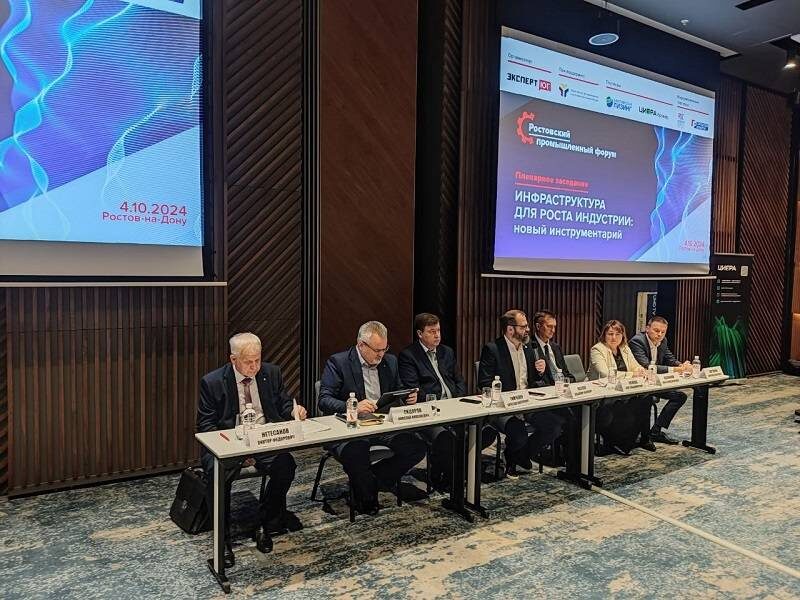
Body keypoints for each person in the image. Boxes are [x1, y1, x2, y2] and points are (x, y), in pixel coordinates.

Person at [197, 332, 306, 562]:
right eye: (248, 362)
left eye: (258, 360)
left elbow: (284, 403)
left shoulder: (271, 373)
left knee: (286, 466)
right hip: (229, 444)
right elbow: (206, 425)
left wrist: (293, 411)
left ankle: (265, 523)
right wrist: (237, 449)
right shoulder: (212, 382)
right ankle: (223, 538)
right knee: (216, 473)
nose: (255, 366)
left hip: (264, 439)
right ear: (233, 359)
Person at [318, 321, 428, 515]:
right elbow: (324, 400)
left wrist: (408, 397)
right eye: (377, 350)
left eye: (384, 349)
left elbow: (398, 390)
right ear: (361, 345)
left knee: (416, 447)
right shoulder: (339, 362)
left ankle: (371, 483)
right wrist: (352, 406)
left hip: (382, 425)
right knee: (356, 453)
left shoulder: (390, 362)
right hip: (351, 428)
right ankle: (366, 497)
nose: (381, 355)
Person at [398, 313, 494, 490]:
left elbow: (459, 381)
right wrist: (439, 402)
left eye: (438, 330)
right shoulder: (409, 356)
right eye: (432, 331)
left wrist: (458, 401)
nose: (437, 335)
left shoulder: (446, 352)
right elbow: (414, 390)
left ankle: (453, 469)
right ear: (420, 334)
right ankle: (455, 476)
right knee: (446, 438)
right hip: (429, 412)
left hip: (455, 406)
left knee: (485, 430)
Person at [477, 309, 565, 475]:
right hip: (504, 408)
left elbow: (533, 380)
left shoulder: (528, 348)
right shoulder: (493, 349)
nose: (528, 330)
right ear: (510, 329)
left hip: (527, 404)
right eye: (523, 327)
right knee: (519, 434)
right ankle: (513, 457)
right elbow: (484, 382)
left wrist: (540, 371)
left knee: (554, 427)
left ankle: (520, 455)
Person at [588, 320, 655, 453]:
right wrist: (632, 374)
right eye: (610, 334)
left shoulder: (624, 348)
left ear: (622, 336)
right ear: (604, 335)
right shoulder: (597, 349)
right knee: (622, 406)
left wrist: (642, 371)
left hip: (623, 391)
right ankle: (615, 441)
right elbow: (605, 374)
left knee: (646, 399)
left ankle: (630, 440)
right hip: (601, 393)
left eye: (617, 334)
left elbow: (636, 366)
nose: (614, 338)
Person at [628, 315, 692, 444]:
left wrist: (682, 365)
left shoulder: (663, 341)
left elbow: (669, 358)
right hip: (638, 384)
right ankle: (644, 438)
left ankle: (655, 431)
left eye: (663, 332)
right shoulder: (637, 341)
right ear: (647, 328)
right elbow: (647, 366)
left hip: (655, 383)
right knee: (646, 398)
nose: (660, 335)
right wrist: (677, 370)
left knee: (680, 396)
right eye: (656, 331)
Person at [529, 310, 576, 386]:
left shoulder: (556, 347)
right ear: (538, 326)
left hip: (562, 386)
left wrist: (568, 381)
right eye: (549, 326)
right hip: (546, 388)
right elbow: (534, 380)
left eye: (554, 327)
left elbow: (566, 373)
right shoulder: (529, 347)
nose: (553, 330)